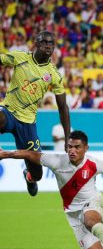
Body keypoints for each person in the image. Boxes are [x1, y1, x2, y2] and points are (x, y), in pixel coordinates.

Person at [0, 31, 70, 196]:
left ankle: (29, 177)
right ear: (36, 44)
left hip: (28, 123)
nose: (48, 45)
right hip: (9, 111)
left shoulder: (53, 75)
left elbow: (63, 107)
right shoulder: (20, 57)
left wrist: (68, 137)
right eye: (44, 42)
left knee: (38, 174)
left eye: (51, 43)